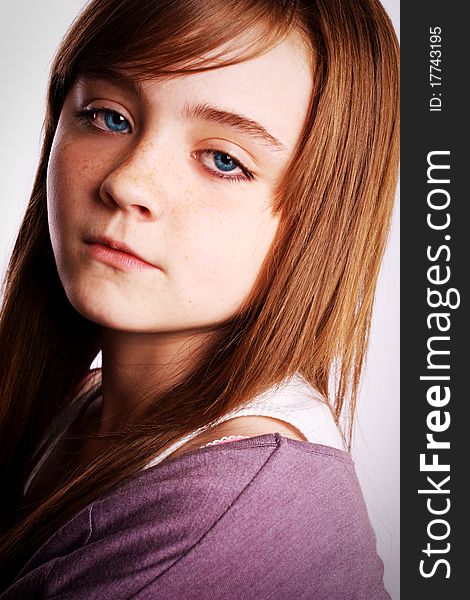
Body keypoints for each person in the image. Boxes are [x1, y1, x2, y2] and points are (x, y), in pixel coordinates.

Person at [0, 0, 399, 597]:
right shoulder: (71, 408)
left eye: (222, 160)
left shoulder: (234, 514)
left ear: (323, 217)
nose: (128, 182)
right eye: (109, 117)